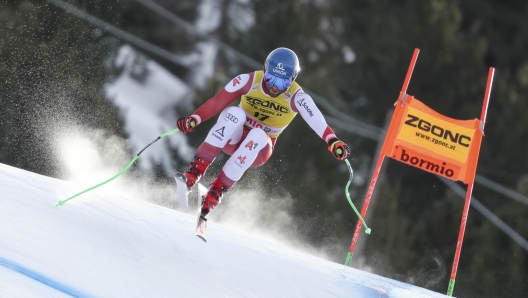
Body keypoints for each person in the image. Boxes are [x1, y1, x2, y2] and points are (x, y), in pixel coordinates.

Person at [176, 47, 350, 241]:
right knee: (234, 114)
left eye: (282, 82)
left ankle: (216, 191)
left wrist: (332, 140)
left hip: (258, 149)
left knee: (258, 134)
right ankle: (194, 173)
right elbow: (217, 102)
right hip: (234, 137)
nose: (275, 87)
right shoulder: (249, 81)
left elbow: (316, 120)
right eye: (271, 79)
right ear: (265, 71)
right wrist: (195, 119)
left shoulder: (296, 96)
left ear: (291, 81)